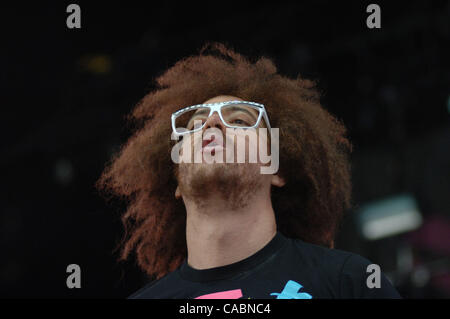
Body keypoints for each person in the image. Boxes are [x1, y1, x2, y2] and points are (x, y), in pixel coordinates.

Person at [97, 42, 401, 299]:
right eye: (194, 125)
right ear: (177, 179)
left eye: (240, 121)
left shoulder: (349, 283)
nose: (211, 125)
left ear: (275, 167)